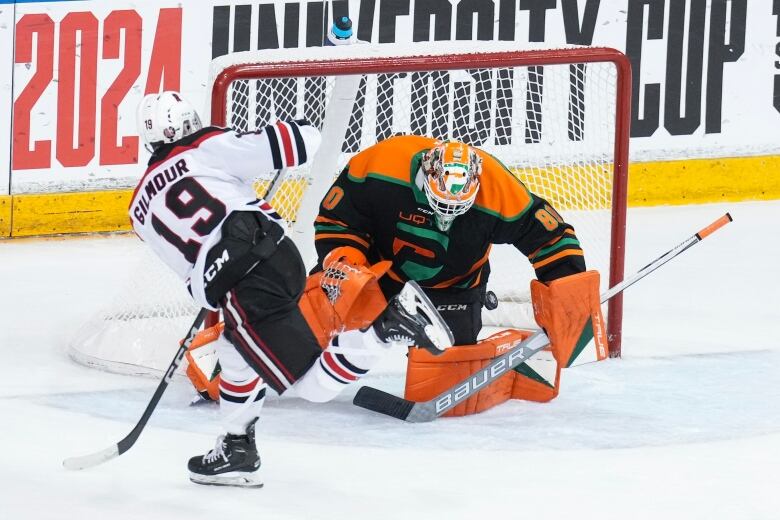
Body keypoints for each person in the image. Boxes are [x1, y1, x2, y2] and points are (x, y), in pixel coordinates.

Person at [130, 92, 453, 488]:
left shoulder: (137, 210)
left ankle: (384, 328)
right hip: (273, 259)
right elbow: (298, 143)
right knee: (235, 351)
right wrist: (300, 126)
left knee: (309, 387)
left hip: (246, 281)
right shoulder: (204, 146)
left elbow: (194, 273)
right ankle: (236, 447)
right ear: (186, 121)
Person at [313, 136, 608, 415]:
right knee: (308, 330)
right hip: (375, 273)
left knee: (444, 393)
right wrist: (347, 265)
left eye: (458, 206)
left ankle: (507, 360)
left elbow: (552, 239)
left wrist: (568, 303)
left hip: (453, 288)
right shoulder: (380, 164)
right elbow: (336, 220)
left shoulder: (498, 189)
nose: (447, 214)